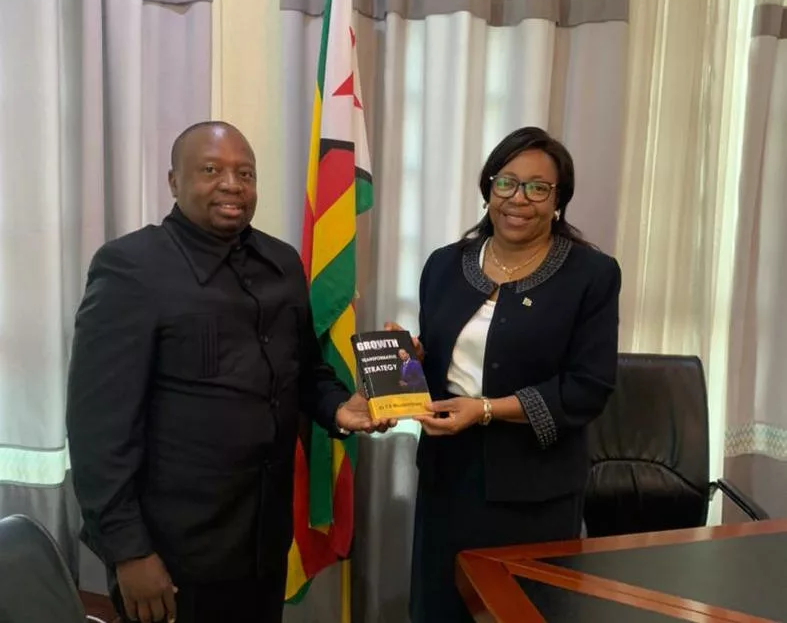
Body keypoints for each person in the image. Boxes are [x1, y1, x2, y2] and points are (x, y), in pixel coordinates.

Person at [65, 121, 393, 623]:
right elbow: (97, 430)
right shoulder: (131, 268)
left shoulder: (282, 264)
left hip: (262, 541)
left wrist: (338, 408)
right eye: (211, 170)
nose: (232, 184)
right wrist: (128, 551)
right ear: (174, 181)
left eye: (246, 173)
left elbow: (304, 371)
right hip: (174, 553)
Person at [388, 126, 621, 622]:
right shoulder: (445, 265)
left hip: (536, 492)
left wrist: (488, 410)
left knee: (525, 614)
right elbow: (442, 373)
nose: (520, 199)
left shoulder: (592, 275)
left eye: (539, 188)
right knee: (440, 609)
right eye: (506, 182)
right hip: (448, 479)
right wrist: (408, 360)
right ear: (488, 188)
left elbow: (588, 389)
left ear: (558, 201)